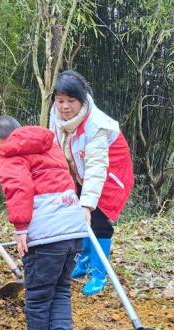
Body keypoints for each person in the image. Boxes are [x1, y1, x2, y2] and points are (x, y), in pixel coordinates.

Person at [0, 116, 87, 330]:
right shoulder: (48, 145)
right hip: (73, 228)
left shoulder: (8, 153)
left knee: (38, 297)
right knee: (60, 290)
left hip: (45, 235)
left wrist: (20, 228)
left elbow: (19, 188)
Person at [49, 71, 134, 296]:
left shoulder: (96, 124)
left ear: (83, 100)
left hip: (109, 172)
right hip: (79, 169)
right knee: (78, 217)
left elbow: (97, 168)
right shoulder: (56, 116)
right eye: (60, 101)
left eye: (71, 101)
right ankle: (85, 260)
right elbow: (56, 147)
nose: (65, 106)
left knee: (98, 221)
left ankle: (99, 273)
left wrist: (88, 204)